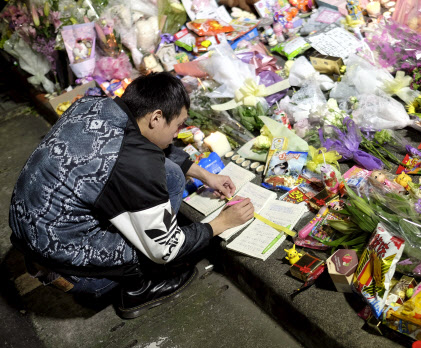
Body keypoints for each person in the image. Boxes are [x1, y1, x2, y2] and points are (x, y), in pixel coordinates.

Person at [9, 72, 254, 319]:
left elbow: (145, 143)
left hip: (33, 233)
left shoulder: (93, 104)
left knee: (172, 175)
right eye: (178, 125)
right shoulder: (135, 164)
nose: (178, 134)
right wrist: (222, 223)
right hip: (65, 266)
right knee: (160, 249)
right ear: (156, 117)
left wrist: (203, 174)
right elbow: (165, 248)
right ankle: (138, 288)